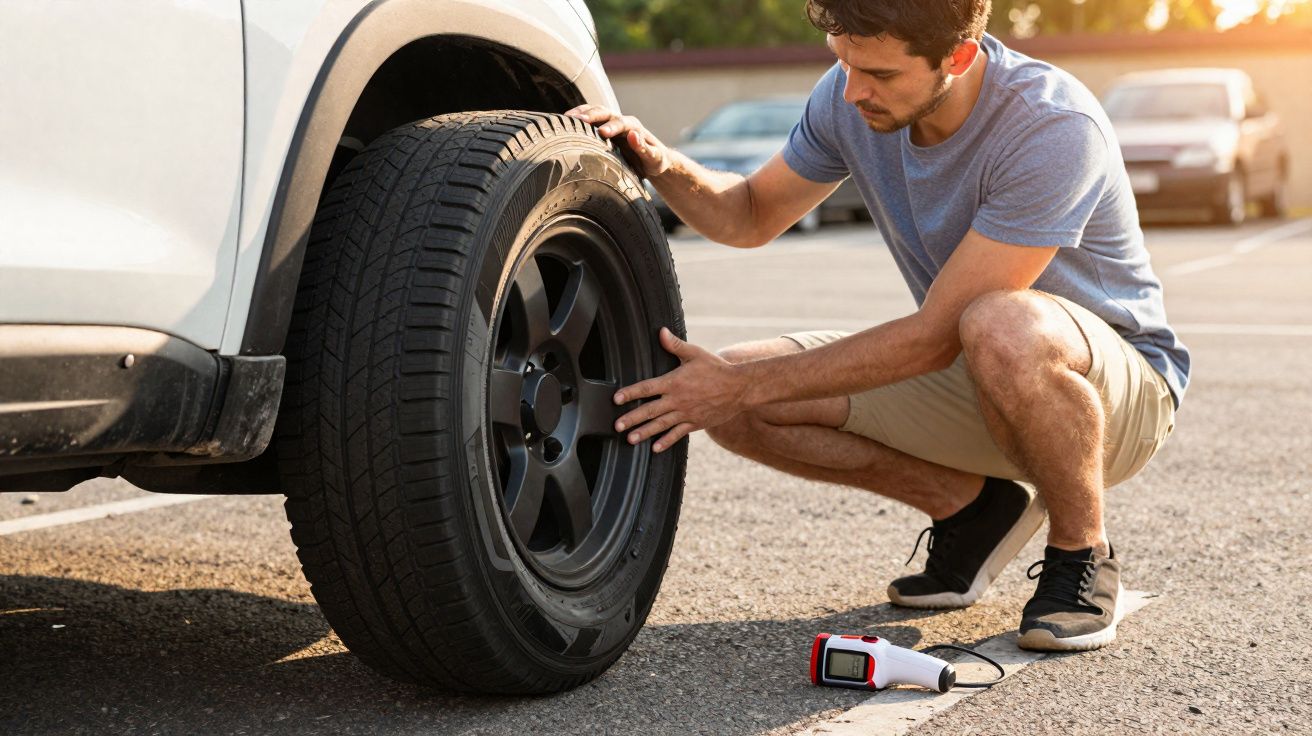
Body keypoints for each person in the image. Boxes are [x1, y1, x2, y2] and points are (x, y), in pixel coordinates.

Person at [565, 0, 1188, 651]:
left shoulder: (1052, 126)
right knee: (738, 390)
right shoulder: (847, 95)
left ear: (960, 57)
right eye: (844, 62)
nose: (854, 89)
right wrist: (660, 162)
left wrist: (742, 386)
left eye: (881, 75)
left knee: (998, 324)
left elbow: (936, 334)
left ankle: (1081, 551)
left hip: (1117, 392)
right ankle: (974, 511)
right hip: (981, 365)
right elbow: (748, 214)